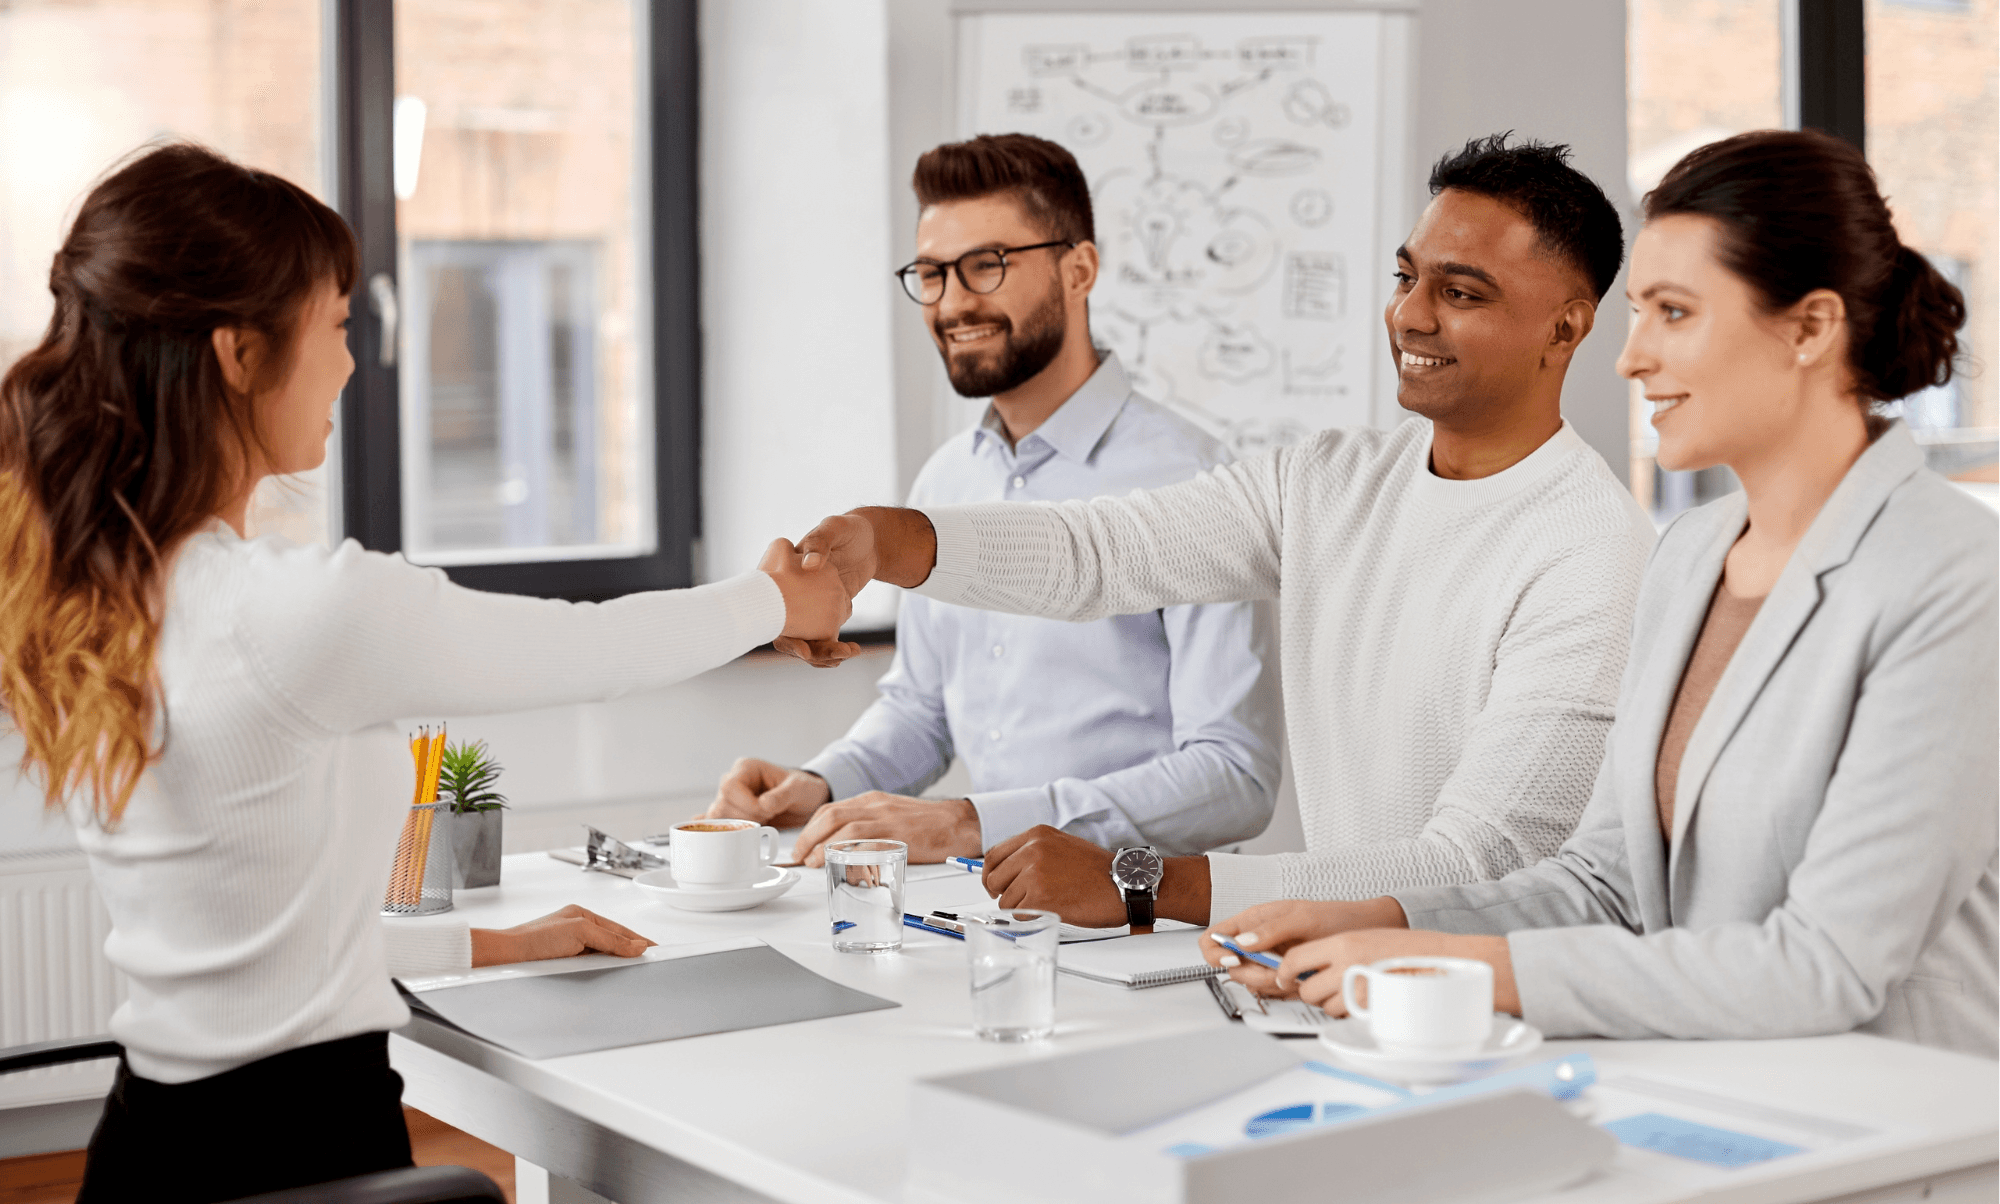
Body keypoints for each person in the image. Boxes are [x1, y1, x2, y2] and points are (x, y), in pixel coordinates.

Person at [0, 144, 853, 1201]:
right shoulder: (296, 612)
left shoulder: (89, 593)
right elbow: (591, 649)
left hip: (151, 1149)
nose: (353, 364)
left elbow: (240, 924)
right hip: (302, 1146)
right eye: (338, 325)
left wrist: (486, 943)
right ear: (237, 352)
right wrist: (780, 600)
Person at [1201, 130, 1997, 1056]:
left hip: (1905, 1133)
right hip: (1720, 1098)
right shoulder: (1694, 553)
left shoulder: (1951, 582)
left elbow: (1824, 966)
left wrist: (1475, 969)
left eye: (1674, 313)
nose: (1630, 358)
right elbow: (1607, 884)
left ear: (1811, 329)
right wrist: (1377, 921)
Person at [782, 134, 1659, 931]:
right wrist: (881, 541)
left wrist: (1138, 880)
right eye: (1405, 277)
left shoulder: (1590, 547)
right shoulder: (1327, 480)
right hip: (1330, 968)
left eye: (1460, 292)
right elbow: (1100, 554)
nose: (1410, 316)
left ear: (1566, 327)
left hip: (1494, 1001)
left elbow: (1475, 863)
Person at [707, 135, 1280, 866]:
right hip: (990, 911)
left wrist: (976, 823)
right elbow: (924, 709)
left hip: (1145, 922)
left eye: (986, 266)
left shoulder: (1194, 479)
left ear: (1080, 270)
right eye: (932, 273)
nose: (952, 303)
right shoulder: (946, 483)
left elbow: (1235, 775)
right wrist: (821, 785)